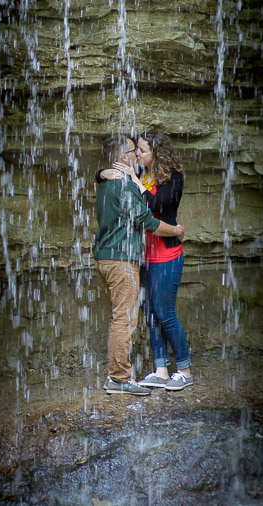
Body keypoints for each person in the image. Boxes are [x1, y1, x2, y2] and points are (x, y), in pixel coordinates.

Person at [98, 130, 193, 391]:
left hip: (166, 254)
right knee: (149, 314)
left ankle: (184, 369)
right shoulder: (140, 173)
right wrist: (102, 174)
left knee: (165, 313)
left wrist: (132, 179)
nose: (137, 154)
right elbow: (113, 176)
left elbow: (157, 204)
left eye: (142, 150)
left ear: (156, 153)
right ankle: (161, 370)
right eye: (136, 150)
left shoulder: (174, 177)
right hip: (142, 256)